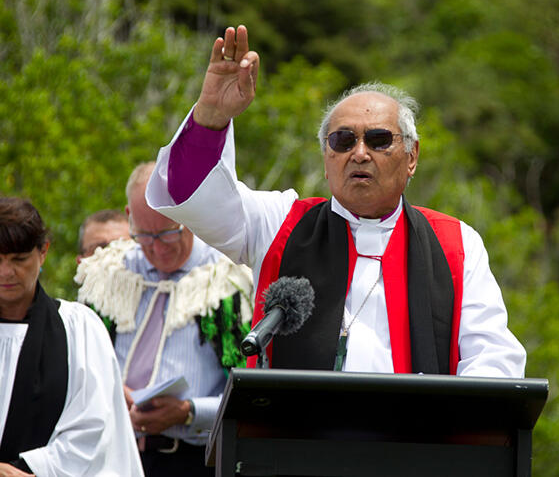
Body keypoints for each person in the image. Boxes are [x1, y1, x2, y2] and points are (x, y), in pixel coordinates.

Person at [147, 25, 526, 377]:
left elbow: (493, 359)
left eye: (379, 140)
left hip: (415, 442)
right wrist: (211, 116)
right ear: (327, 161)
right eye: (343, 141)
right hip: (299, 444)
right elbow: (191, 194)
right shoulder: (281, 224)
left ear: (411, 157)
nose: (359, 154)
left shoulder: (456, 243)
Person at [74, 162, 254, 477]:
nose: (157, 248)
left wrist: (188, 412)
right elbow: (79, 368)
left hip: (194, 460)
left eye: (169, 232)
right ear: (129, 217)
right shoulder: (108, 275)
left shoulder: (227, 281)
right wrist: (112, 392)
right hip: (112, 454)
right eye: (145, 235)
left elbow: (250, 391)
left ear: (189, 216)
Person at [0, 196, 144, 477]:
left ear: (43, 252)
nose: (6, 272)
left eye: (19, 259)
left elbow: (94, 428)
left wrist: (29, 470)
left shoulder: (78, 327)